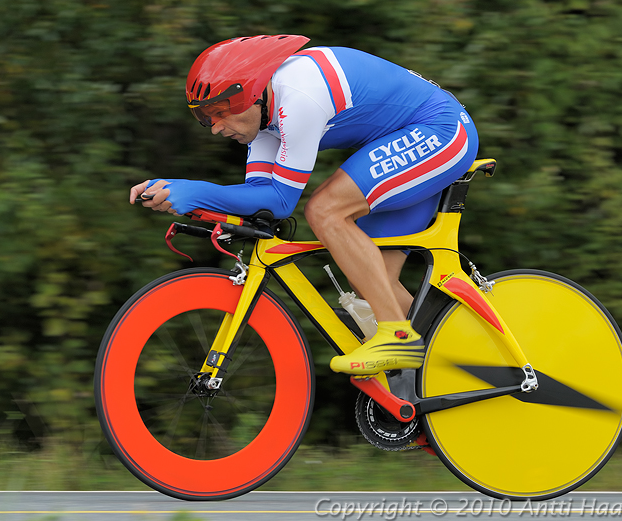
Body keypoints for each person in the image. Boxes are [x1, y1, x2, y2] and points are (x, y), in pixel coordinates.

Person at [129, 34, 479, 376]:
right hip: (414, 137)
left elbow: (280, 202)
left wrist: (196, 191)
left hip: (442, 131)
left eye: (219, 112)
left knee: (325, 211)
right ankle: (461, 366)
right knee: (373, 283)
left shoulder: (298, 97)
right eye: (204, 117)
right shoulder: (264, 122)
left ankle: (397, 337)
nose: (215, 129)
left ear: (252, 94)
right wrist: (186, 199)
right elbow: (259, 199)